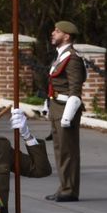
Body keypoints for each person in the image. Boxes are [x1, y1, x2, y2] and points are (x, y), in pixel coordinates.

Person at [44, 19, 85, 202]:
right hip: (56, 106)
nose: (53, 33)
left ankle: (70, 189)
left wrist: (67, 115)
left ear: (67, 36)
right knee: (60, 150)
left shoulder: (72, 58)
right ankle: (64, 186)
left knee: (68, 151)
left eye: (57, 31)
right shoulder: (61, 56)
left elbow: (75, 89)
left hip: (65, 108)